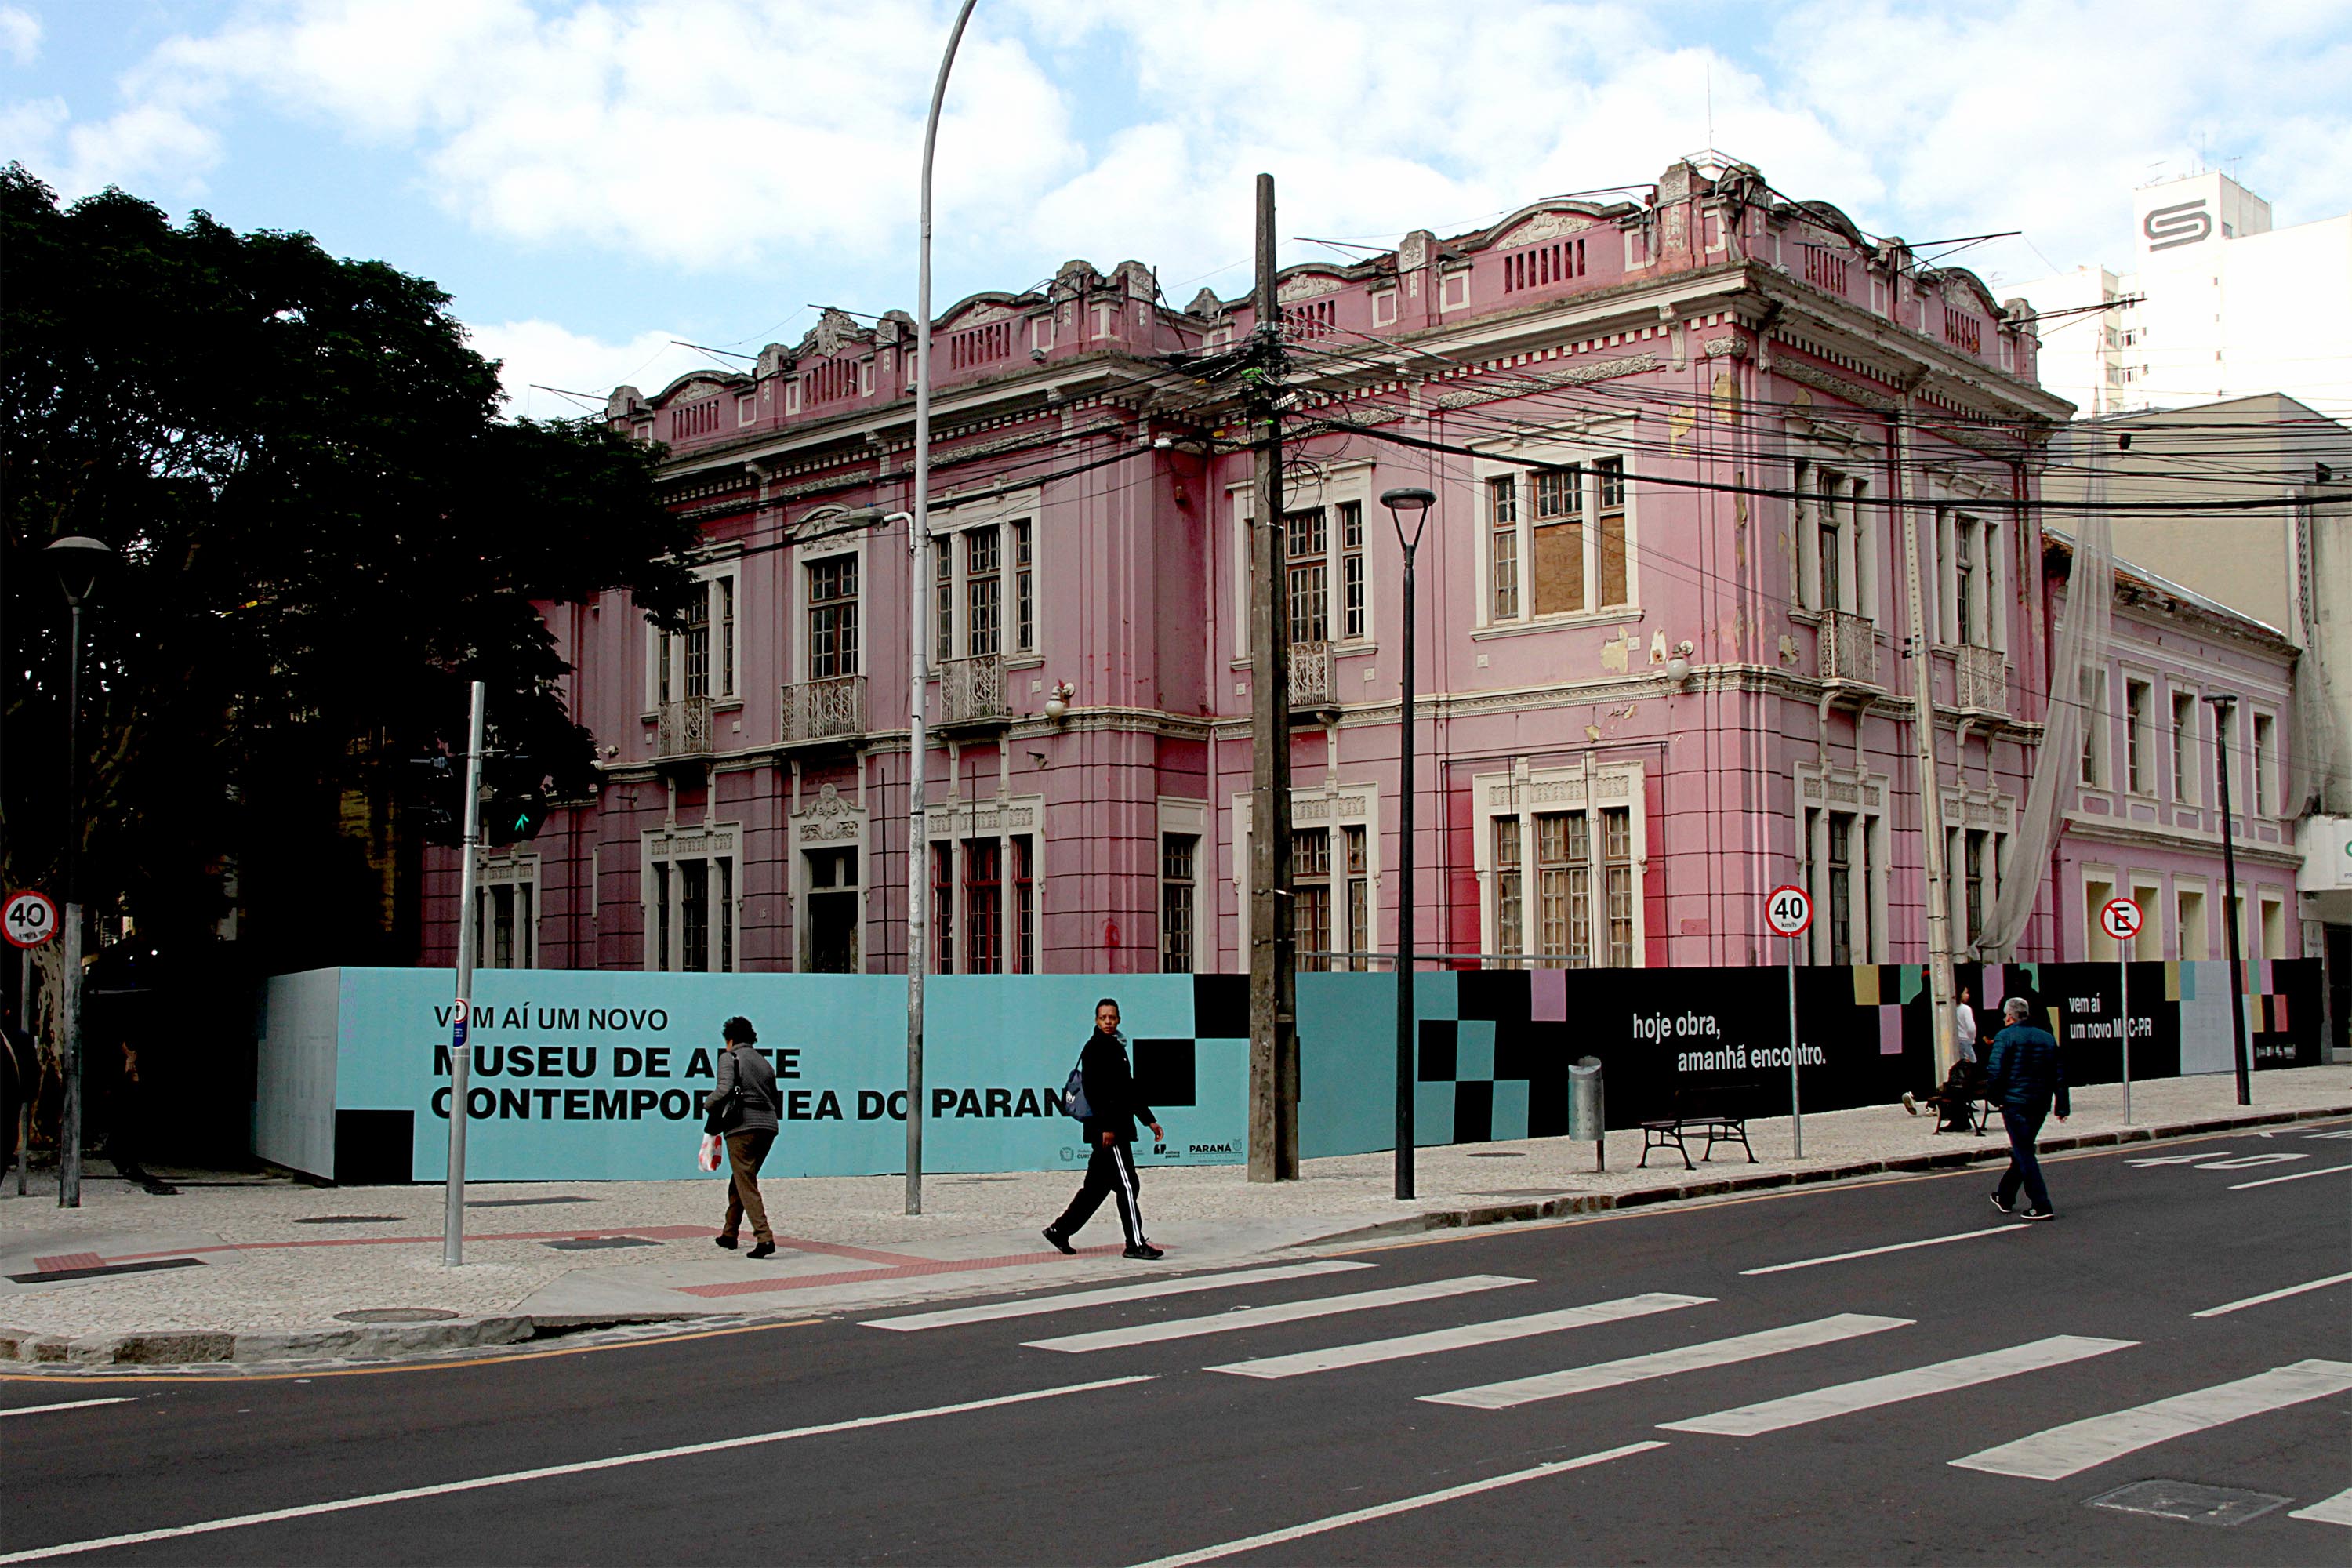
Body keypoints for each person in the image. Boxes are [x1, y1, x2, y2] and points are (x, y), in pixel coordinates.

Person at [1043, 998, 1165, 1261]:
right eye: (1103, 1018)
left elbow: (1127, 1089)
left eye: (1112, 1017)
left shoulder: (1116, 1046)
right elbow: (1096, 1092)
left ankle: (1059, 1230)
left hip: (1115, 1128)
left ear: (1119, 1019)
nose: (1108, 1022)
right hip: (1110, 1132)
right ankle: (1134, 1243)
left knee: (1096, 1188)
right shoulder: (1096, 1047)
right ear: (1096, 1021)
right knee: (1128, 1186)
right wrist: (1107, 1127)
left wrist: (1148, 1119)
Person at [1985, 996, 2068, 1220]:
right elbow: (2059, 1074)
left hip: (2015, 1104)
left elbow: (1995, 1071)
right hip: (2039, 1104)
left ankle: (2041, 1204)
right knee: (2023, 1149)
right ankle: (2005, 1195)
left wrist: (1995, 1098)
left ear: (2010, 1017)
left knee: (2024, 1152)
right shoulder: (2046, 1037)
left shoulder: (2005, 1037)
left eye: (2005, 1016)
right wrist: (2062, 1106)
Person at [709, 1016, 779, 1259]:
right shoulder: (764, 1063)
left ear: (730, 1040)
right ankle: (729, 1234)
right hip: (768, 1127)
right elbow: (774, 1097)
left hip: (742, 1127)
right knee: (740, 1178)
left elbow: (724, 1089)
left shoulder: (729, 1058)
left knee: (745, 1181)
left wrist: (707, 1104)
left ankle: (764, 1236)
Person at [1903, 982, 1987, 1131]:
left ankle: (1925, 1099)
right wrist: (1972, 1040)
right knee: (1965, 1074)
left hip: (1932, 1043)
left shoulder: (1925, 1002)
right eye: (1966, 992)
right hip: (1960, 1042)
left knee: (1945, 1076)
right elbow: (1971, 1028)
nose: (1969, 995)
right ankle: (1953, 1102)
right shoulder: (1961, 1008)